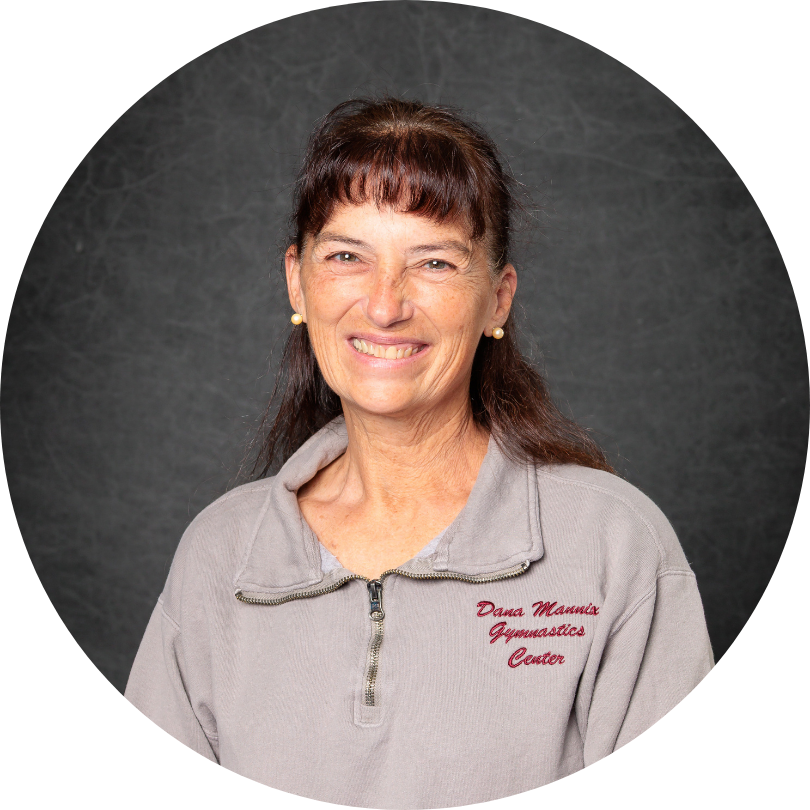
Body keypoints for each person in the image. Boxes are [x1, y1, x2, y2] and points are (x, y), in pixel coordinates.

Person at [125, 97, 713, 808]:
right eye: (347, 256)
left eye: (434, 262)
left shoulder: (615, 547)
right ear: (297, 281)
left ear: (497, 300)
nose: (384, 305)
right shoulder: (219, 555)